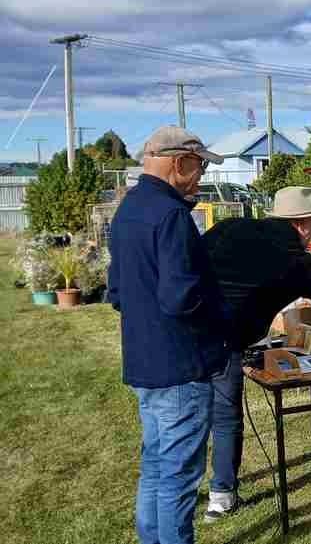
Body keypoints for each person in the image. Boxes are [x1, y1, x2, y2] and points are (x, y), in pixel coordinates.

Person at [200, 186, 311, 521]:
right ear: (301, 223)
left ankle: (176, 493)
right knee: (224, 418)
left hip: (187, 331)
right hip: (225, 343)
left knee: (184, 417)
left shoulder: (229, 227)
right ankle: (221, 497)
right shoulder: (296, 262)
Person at [107, 126, 229, 544]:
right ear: (179, 163)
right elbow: (181, 297)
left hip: (144, 361)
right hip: (180, 367)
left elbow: (117, 291)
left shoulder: (129, 209)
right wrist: (219, 322)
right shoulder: (172, 214)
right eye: (199, 168)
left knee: (156, 466)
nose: (200, 177)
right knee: (178, 476)